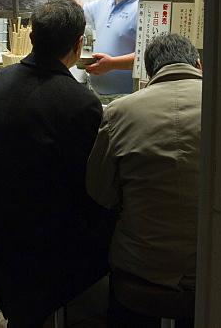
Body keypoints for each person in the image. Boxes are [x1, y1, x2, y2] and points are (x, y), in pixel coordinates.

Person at [0, 0, 113, 327]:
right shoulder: (80, 102)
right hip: (47, 252)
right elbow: (93, 186)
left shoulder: (0, 80)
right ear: (79, 45)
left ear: (32, 38)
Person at [86, 33, 203, 325]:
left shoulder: (119, 112)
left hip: (139, 267)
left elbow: (101, 193)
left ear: (149, 74)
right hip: (215, 267)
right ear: (198, 64)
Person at [80, 0, 140, 104]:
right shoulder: (106, 0)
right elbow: (79, 13)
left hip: (127, 100)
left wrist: (112, 64)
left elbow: (147, 56)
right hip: (96, 96)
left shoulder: (142, 5)